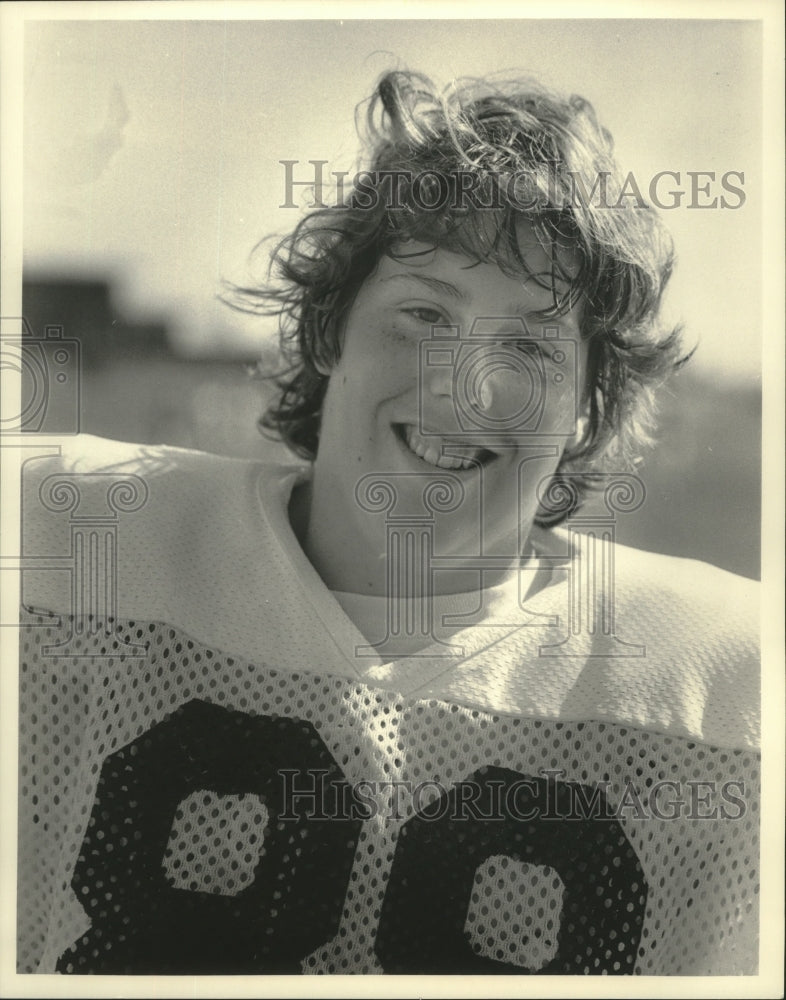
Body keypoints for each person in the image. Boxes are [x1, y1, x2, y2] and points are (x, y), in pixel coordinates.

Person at [17, 69, 759, 976]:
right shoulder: (61, 538)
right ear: (330, 328)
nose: (463, 385)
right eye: (424, 314)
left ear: (589, 412)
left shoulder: (728, 691)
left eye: (528, 345)